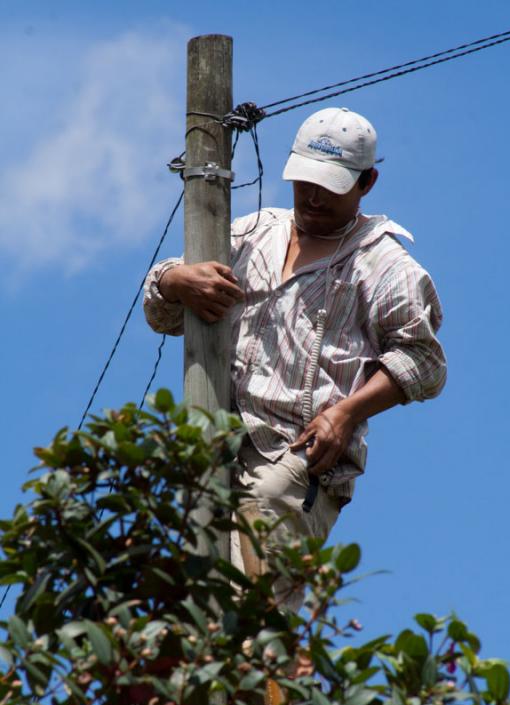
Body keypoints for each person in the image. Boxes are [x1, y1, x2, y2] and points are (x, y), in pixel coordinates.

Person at [143, 107, 446, 611]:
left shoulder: (385, 265)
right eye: (304, 180)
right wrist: (177, 280)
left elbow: (425, 362)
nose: (313, 196)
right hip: (209, 446)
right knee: (183, 613)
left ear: (367, 182)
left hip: (293, 461)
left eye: (330, 184)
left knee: (245, 616)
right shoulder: (255, 232)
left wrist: (347, 414)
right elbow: (163, 309)